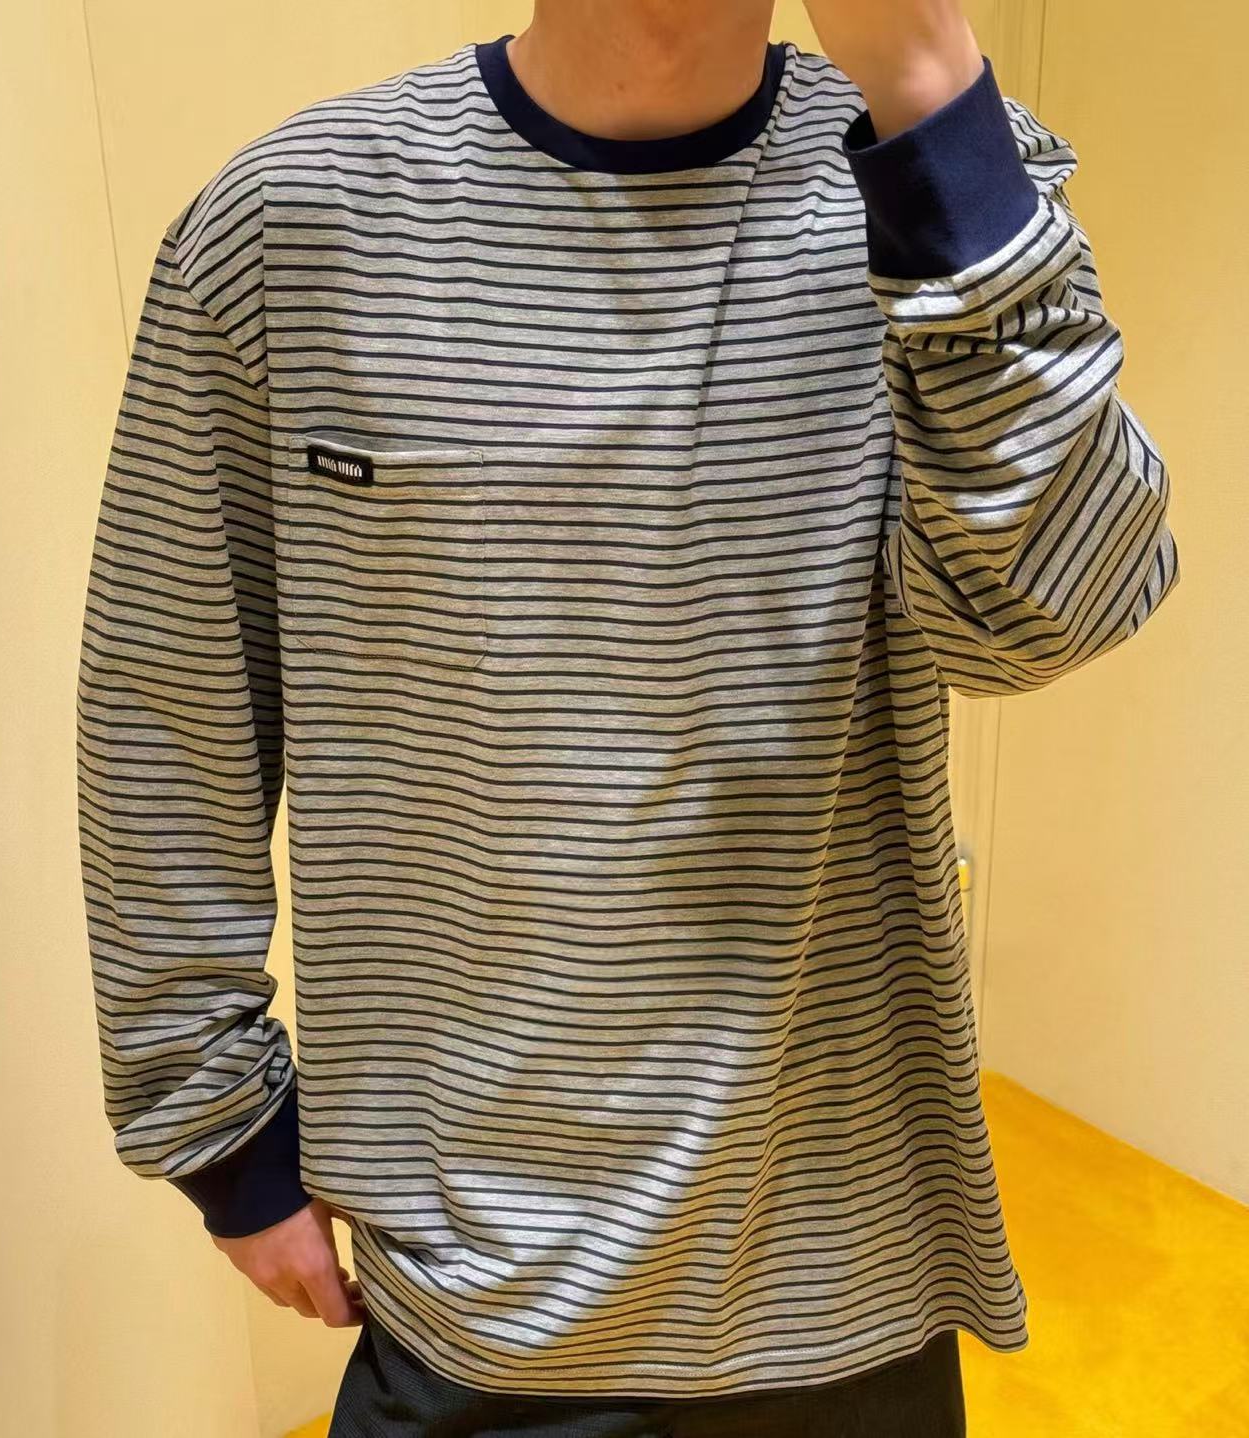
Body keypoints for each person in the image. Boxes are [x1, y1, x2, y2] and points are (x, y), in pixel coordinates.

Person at [73, 1, 1180, 1433]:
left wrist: (928, 86)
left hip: (843, 1284)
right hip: (469, 1303)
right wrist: (217, 1127)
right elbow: (169, 705)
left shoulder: (938, 168)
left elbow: (1060, 610)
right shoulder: (292, 223)